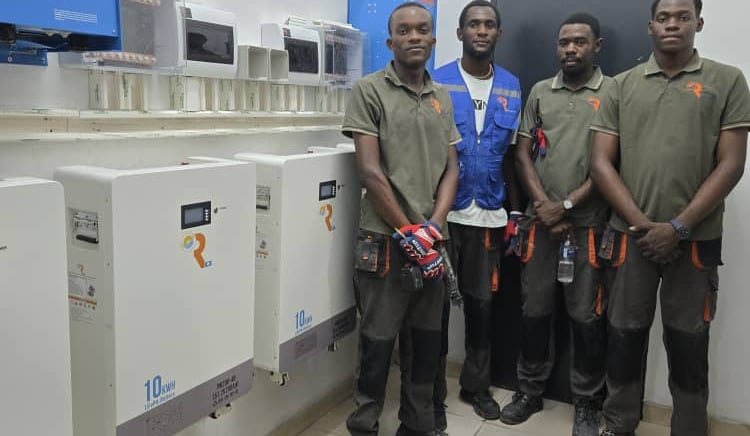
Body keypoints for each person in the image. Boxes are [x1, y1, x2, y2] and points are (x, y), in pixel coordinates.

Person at [589, 1, 750, 435]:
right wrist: (645, 226)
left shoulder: (728, 80)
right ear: (650, 26)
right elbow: (601, 164)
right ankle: (618, 424)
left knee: (688, 343)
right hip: (631, 238)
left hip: (695, 241)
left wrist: (678, 227)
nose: (672, 24)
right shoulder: (621, 86)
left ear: (699, 22)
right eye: (663, 18)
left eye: (683, 16)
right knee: (623, 336)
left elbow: (731, 164)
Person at [341, 2, 461, 436]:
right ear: (390, 41)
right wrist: (408, 231)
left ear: (433, 39)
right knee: (377, 344)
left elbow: (452, 169)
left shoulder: (442, 96)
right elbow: (370, 171)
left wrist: (432, 227)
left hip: (432, 242)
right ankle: (364, 426)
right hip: (384, 242)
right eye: (405, 31)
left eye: (422, 30)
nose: (414, 37)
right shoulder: (369, 90)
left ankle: (416, 424)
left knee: (425, 344)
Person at [499, 13, 611, 436]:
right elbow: (522, 153)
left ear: (596, 46)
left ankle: (587, 402)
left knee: (586, 318)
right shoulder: (540, 92)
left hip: (588, 227)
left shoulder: (613, 92)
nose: (570, 49)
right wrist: (544, 207)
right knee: (534, 312)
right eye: (564, 42)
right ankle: (529, 391)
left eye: (580, 41)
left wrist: (565, 206)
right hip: (539, 226)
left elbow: (611, 163)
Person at [431, 0, 522, 422]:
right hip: (442, 216)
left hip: (488, 214)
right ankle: (431, 392)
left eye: (488, 24)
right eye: (473, 24)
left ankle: (476, 386)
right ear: (460, 32)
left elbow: (513, 157)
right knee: (433, 310)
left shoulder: (511, 86)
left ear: (498, 33)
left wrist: (516, 212)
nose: (481, 31)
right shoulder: (437, 80)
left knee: (482, 307)